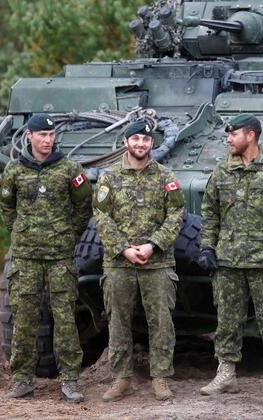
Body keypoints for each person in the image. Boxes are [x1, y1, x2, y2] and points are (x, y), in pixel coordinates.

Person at [197, 113, 263, 400]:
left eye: (233, 134)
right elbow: (210, 214)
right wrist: (207, 247)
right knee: (228, 319)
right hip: (228, 260)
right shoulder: (221, 171)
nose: (228, 139)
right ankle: (226, 373)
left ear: (251, 135)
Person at [0, 113, 93, 402]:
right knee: (24, 320)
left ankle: (70, 382)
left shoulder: (69, 169)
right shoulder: (14, 171)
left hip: (60, 258)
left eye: (51, 136)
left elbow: (84, 208)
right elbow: (6, 207)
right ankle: (22, 380)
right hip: (25, 258)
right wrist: (22, 233)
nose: (47, 140)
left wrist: (67, 236)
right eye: (42, 135)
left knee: (65, 319)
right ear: (30, 136)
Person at [94, 119, 185, 402]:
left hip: (157, 263)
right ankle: (122, 379)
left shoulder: (165, 176)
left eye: (146, 140)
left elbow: (176, 214)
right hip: (119, 263)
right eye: (135, 139)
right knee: (118, 322)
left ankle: (160, 378)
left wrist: (152, 245)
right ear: (126, 142)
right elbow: (101, 215)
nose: (141, 144)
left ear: (151, 144)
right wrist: (123, 248)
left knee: (161, 322)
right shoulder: (109, 177)